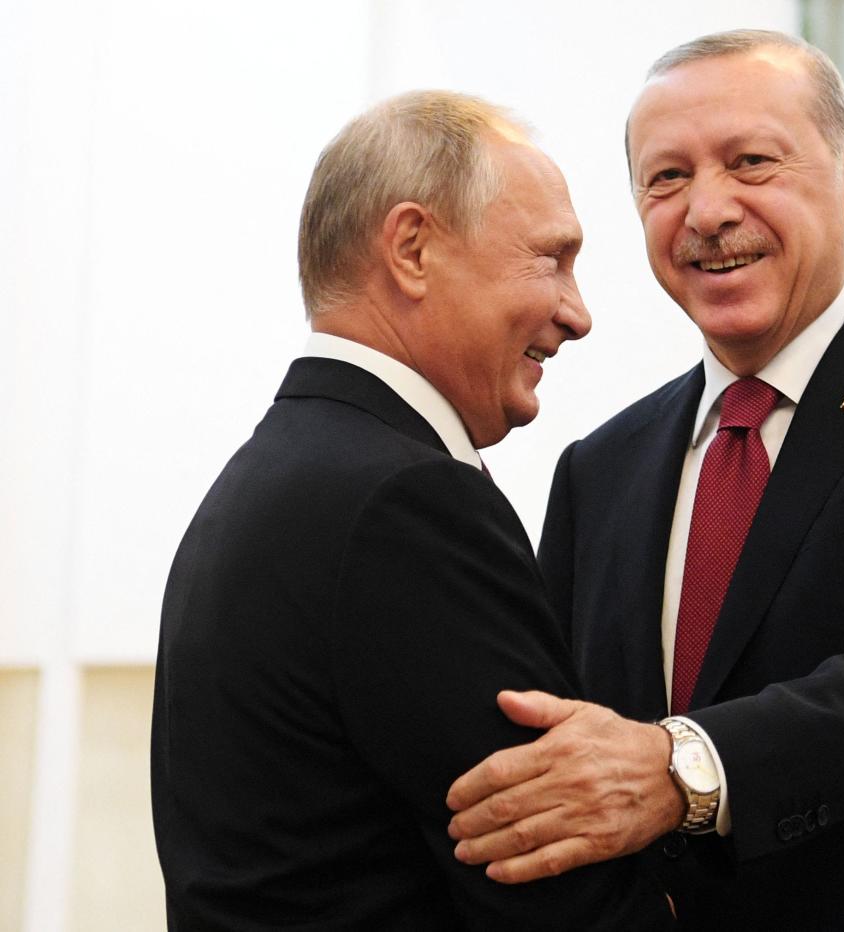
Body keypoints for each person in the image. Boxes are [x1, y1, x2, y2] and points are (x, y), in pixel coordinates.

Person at [445, 29, 844, 930]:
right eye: (666, 179)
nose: (707, 211)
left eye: (751, 162)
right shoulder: (601, 470)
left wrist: (684, 769)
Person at [150, 90, 673, 930]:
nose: (577, 314)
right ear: (413, 248)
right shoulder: (408, 505)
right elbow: (553, 885)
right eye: (551, 259)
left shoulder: (272, 477)